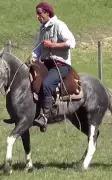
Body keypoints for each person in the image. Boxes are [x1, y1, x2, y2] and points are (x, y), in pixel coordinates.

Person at [32, 2, 76, 131]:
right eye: (37, 14)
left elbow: (71, 43)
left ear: (47, 13)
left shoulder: (59, 25)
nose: (38, 17)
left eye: (39, 13)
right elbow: (38, 48)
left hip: (60, 64)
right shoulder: (42, 29)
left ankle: (45, 117)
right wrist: (33, 58)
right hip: (45, 64)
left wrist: (53, 45)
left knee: (46, 84)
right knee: (31, 81)